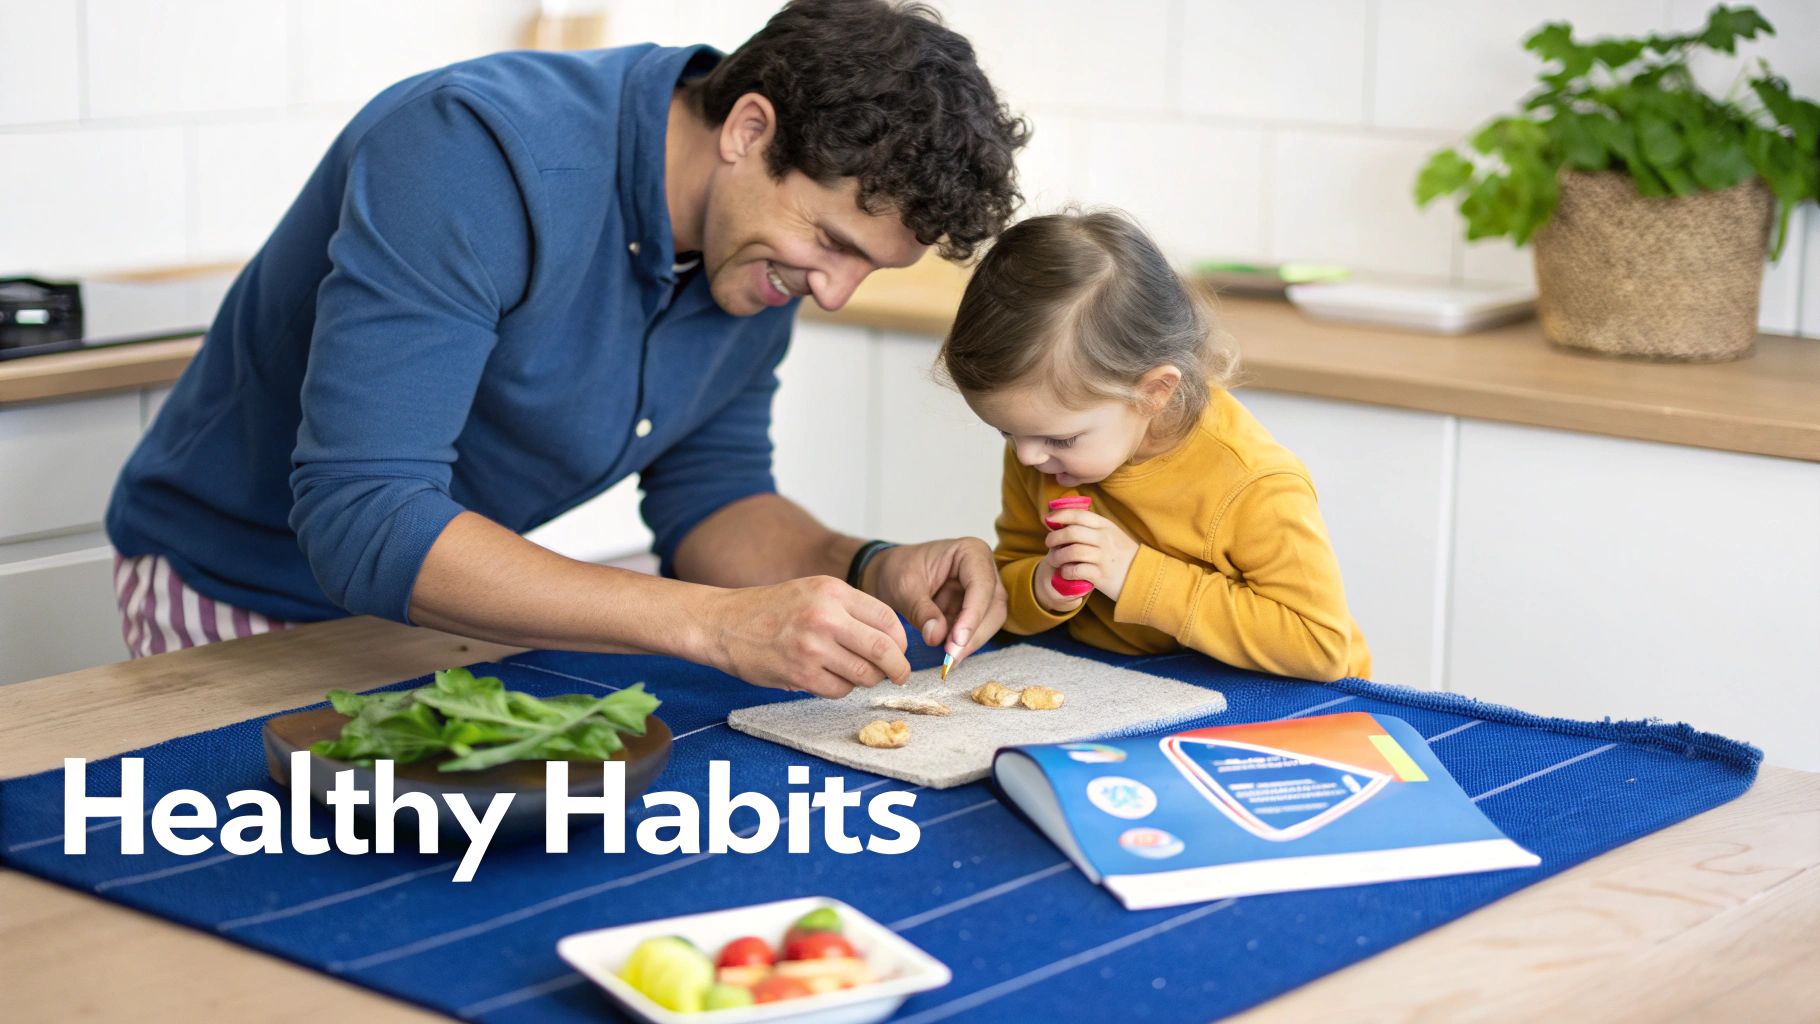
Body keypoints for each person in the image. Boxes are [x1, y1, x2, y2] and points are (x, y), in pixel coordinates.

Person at [106, 0, 1026, 697]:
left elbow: (715, 497)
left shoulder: (755, 248)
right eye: (831, 243)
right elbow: (364, 517)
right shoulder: (471, 149)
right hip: (240, 596)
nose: (835, 290)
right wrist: (714, 625)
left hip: (434, 615)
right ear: (750, 130)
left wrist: (866, 563)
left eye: (867, 268)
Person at [937, 211, 1371, 682]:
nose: (1027, 458)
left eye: (1060, 438)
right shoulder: (1042, 450)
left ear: (1153, 392)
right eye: (1007, 434)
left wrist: (1134, 575)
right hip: (1129, 682)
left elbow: (1320, 646)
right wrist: (1043, 588)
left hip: (1283, 703)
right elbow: (1012, 586)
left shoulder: (1253, 482)